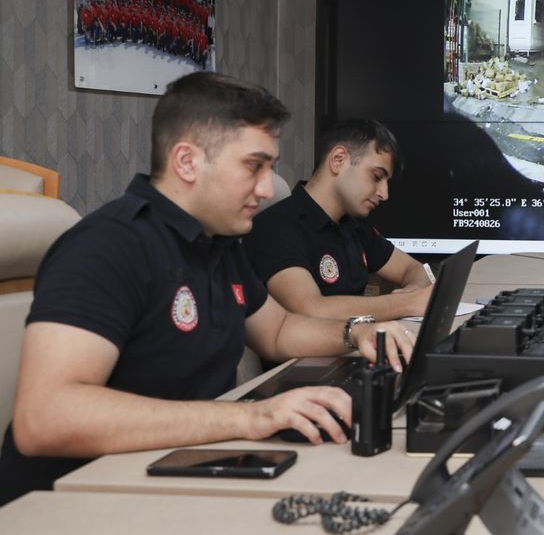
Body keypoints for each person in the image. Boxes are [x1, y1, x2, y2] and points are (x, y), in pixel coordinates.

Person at [0, 72, 416, 506]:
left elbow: (278, 330)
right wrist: (248, 417)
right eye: (254, 166)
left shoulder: (218, 242)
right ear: (187, 161)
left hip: (170, 470)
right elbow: (44, 419)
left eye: (270, 167)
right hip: (71, 500)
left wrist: (357, 331)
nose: (266, 188)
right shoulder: (109, 246)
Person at [245, 119, 434, 321]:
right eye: (376, 176)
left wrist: (412, 291)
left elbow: (414, 269)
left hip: (355, 338)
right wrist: (407, 303)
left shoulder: (354, 225)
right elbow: (311, 310)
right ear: (338, 160)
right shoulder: (276, 228)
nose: (384, 194)